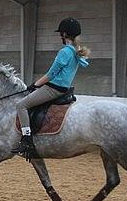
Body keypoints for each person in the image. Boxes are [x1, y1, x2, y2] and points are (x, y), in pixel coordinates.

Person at [12, 17, 90, 160]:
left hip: (53, 89)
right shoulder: (75, 51)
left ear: (65, 34)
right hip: (64, 89)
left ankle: (27, 140)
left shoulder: (65, 51)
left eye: (61, 33)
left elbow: (51, 74)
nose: (60, 36)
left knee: (21, 105)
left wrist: (35, 84)